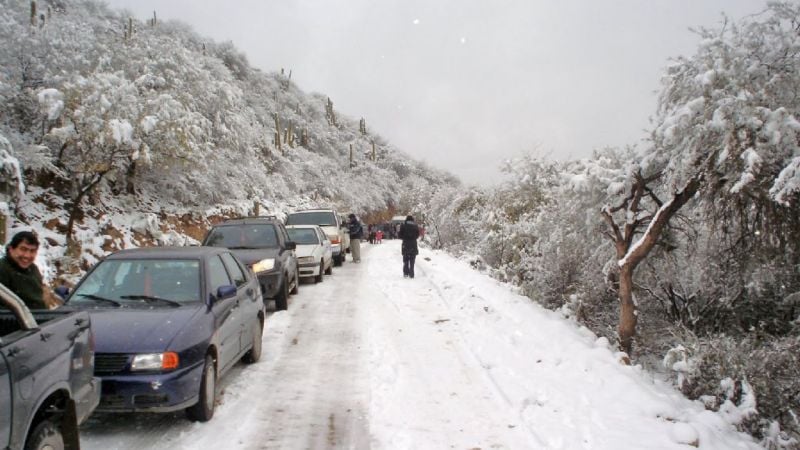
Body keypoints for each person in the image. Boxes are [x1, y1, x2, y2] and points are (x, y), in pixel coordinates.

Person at [0, 231, 53, 309]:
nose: (27, 256)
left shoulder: (33, 269)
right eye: (23, 249)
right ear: (11, 249)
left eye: (32, 251)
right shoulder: (3, 269)